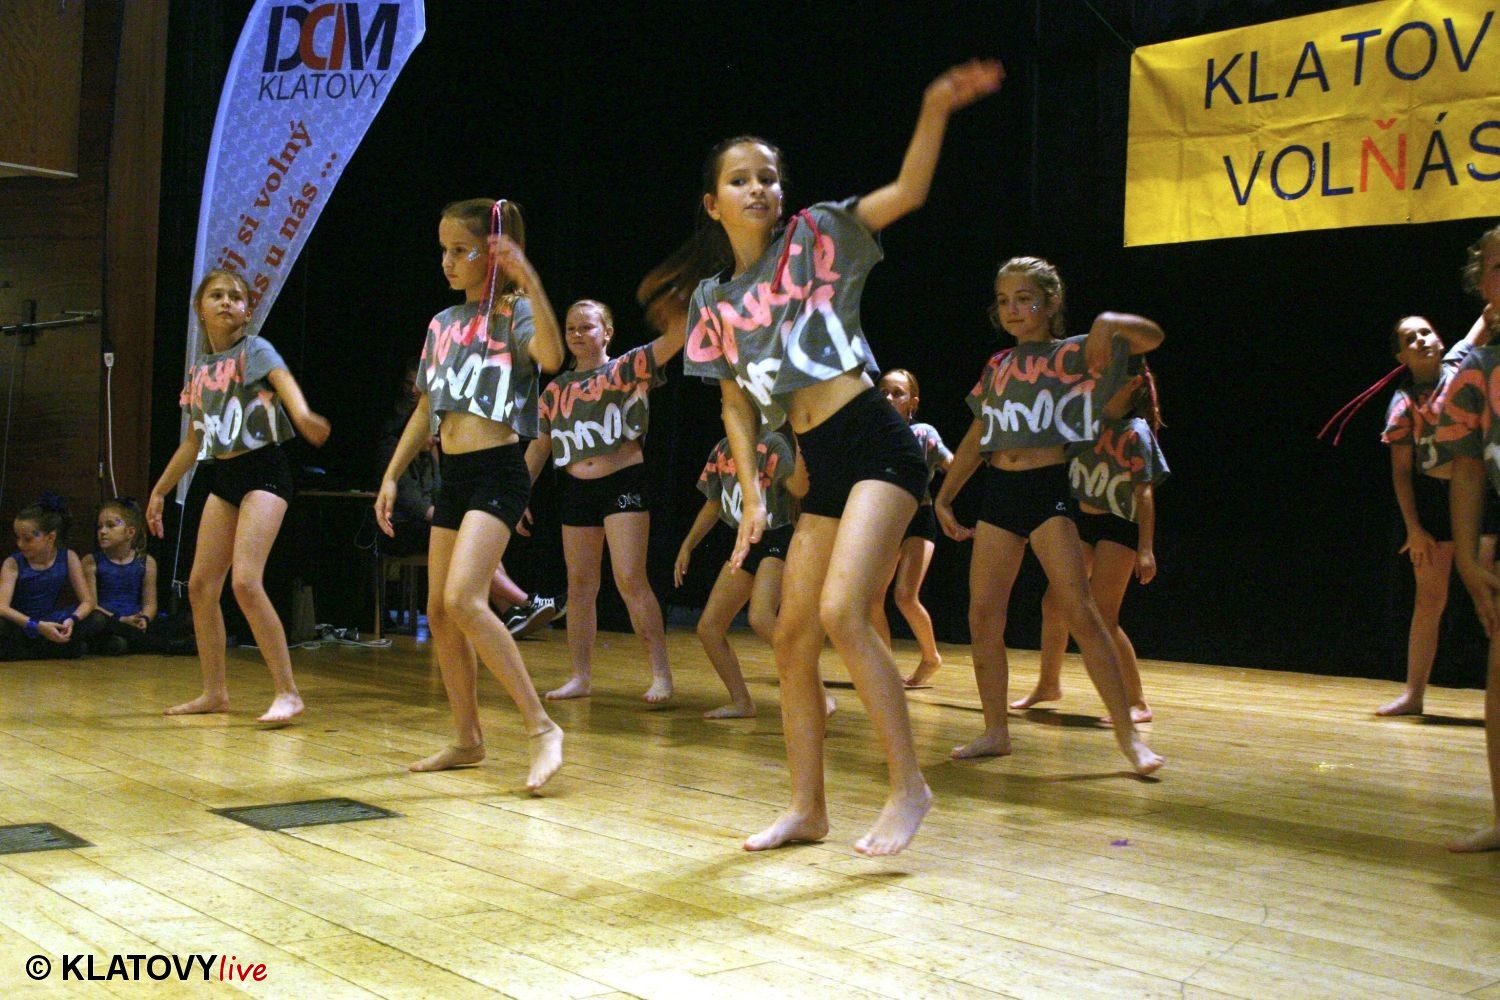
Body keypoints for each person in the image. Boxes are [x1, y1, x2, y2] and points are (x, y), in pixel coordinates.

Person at [641, 58, 1004, 856]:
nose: (759, 189)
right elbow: (734, 404)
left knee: (844, 612)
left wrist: (935, 106)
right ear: (713, 203)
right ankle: (808, 808)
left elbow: (908, 191)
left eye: (768, 177)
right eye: (740, 180)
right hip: (818, 462)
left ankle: (909, 786)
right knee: (790, 637)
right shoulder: (713, 302)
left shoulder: (817, 236)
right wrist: (753, 497)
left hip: (876, 440)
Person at [933, 255, 1164, 775]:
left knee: (1080, 610)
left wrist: (1109, 323)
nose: (1012, 310)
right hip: (999, 492)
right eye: (1003, 301)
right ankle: (995, 731)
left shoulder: (1077, 353)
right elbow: (978, 433)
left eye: (1024, 299)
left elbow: (1152, 337)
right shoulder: (997, 364)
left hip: (1046, 488)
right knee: (982, 615)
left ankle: (1129, 739)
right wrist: (946, 495)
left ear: (1051, 302)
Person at [375, 198, 564, 789]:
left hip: (498, 471)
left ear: (493, 253)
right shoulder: (442, 323)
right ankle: (467, 738)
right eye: (444, 250)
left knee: (463, 598)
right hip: (454, 477)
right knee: (439, 609)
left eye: (461, 250)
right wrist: (392, 474)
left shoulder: (516, 312)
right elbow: (427, 407)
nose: (447, 261)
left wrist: (529, 278)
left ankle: (542, 727)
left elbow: (552, 357)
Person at [147, 270, 329, 722]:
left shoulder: (255, 349)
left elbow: (283, 381)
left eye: (236, 297)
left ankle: (288, 692)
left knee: (245, 581)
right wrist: (160, 490)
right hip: (224, 476)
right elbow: (194, 441)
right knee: (200, 586)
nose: (227, 301)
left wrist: (303, 414)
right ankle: (214, 692)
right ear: (201, 309)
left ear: (248, 311)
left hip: (265, 472)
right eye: (217, 295)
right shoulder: (199, 371)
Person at [527, 299, 682, 703]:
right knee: (580, 585)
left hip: (622, 481)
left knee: (630, 578)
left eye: (587, 327)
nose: (577, 334)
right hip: (576, 488)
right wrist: (517, 494)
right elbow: (540, 447)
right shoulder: (556, 389)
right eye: (571, 328)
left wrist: (686, 306)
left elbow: (673, 340)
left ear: (607, 332)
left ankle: (661, 674)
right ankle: (580, 676)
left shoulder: (627, 368)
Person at [1011, 359, 1169, 723]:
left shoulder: (1135, 432)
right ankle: (1048, 684)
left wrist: (1145, 548)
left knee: (1103, 616)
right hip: (1081, 521)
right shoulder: (1084, 423)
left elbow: (1144, 493)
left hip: (1118, 524)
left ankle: (1137, 701)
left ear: (1132, 385)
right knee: (1054, 603)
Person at [1375, 315, 1494, 717]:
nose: (1422, 340)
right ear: (1401, 357)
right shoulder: (1403, 402)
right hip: (1433, 501)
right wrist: (1414, 527)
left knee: (1490, 593)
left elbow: (1487, 316)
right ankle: (1414, 695)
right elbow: (1401, 473)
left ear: (1440, 339)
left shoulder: (1460, 363)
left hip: (1477, 494)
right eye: (1410, 339)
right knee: (1429, 599)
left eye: (1425, 332)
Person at [1436, 221, 1500, 852]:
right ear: (1484, 287)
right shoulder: (1476, 369)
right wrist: (1466, 555)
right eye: (1499, 268)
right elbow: (1467, 466)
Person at [675, 425, 813, 718]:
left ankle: (817, 693)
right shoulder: (722, 449)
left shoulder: (773, 444)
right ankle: (742, 702)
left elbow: (798, 489)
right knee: (709, 627)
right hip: (747, 542)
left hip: (779, 536)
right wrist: (687, 545)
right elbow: (713, 504)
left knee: (761, 616)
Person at [872, 368, 952, 688]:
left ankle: (931, 657)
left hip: (919, 516)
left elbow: (951, 464)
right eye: (883, 392)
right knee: (873, 598)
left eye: (897, 393)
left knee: (905, 595)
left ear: (912, 402)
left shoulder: (922, 433)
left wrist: (947, 501)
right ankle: (885, 668)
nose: (889, 398)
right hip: (886, 521)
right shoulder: (872, 435)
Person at [0, 495, 93, 660]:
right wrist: (35, 625)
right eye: (18, 537)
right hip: (21, 624)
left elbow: (88, 601)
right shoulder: (13, 563)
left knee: (94, 620)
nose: (20, 544)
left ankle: (38, 649)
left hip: (50, 621)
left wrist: (71, 620)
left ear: (50, 537)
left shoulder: (68, 557)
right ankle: (41, 650)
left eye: (27, 539)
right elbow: (2, 607)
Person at [81, 498, 162, 655]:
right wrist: (120, 619)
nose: (102, 532)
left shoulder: (146, 562)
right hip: (108, 620)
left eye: (110, 526)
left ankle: (127, 640)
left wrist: (144, 619)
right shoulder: (91, 561)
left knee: (181, 622)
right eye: (99, 527)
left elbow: (150, 603)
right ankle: (142, 642)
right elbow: (91, 605)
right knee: (97, 621)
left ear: (130, 532)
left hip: (134, 618)